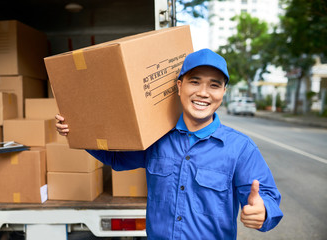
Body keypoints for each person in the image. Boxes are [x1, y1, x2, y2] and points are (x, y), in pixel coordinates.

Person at [55, 48, 283, 239]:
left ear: (223, 92)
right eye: (195, 82)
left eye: (214, 85)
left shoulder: (240, 148)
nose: (203, 93)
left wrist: (263, 212)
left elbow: (267, 198)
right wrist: (76, 131)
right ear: (179, 86)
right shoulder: (157, 140)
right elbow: (116, 159)